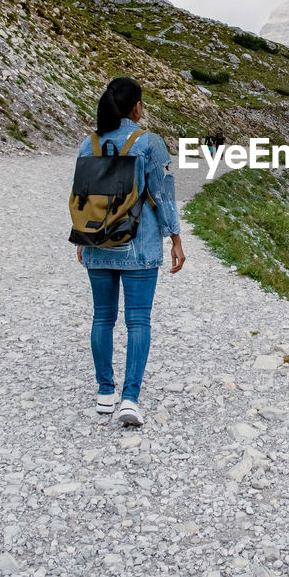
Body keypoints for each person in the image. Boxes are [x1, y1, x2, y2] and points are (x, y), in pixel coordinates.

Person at [75, 77, 185, 427]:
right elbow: (164, 194)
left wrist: (82, 239)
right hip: (139, 245)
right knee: (138, 320)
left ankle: (104, 393)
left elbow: (82, 198)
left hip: (96, 243)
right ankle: (130, 398)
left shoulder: (87, 144)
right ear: (136, 105)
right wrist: (176, 239)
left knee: (102, 317)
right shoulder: (149, 143)